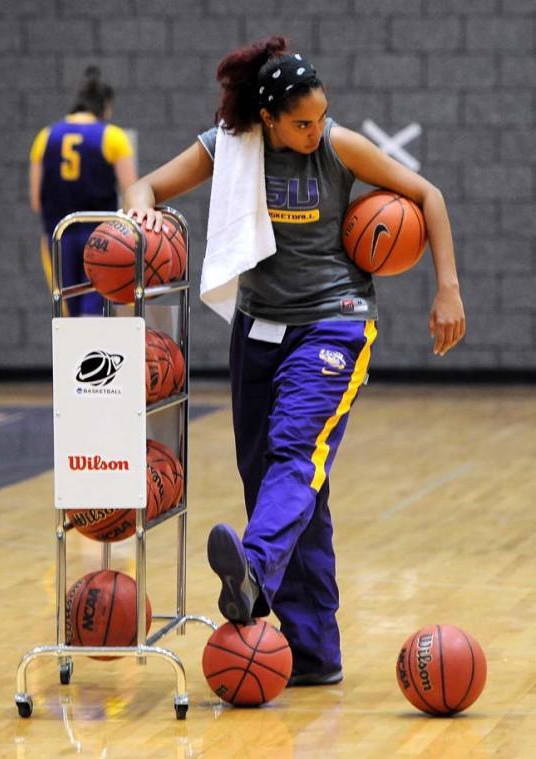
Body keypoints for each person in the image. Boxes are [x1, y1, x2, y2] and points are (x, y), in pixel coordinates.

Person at [123, 36, 466, 687]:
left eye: (320, 116)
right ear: (265, 119)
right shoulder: (229, 146)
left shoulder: (338, 146)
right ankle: (313, 651)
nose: (315, 130)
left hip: (333, 325)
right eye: (301, 122)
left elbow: (429, 195)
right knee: (277, 482)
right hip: (257, 329)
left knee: (292, 456)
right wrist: (140, 209)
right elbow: (147, 183)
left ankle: (252, 573)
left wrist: (446, 287)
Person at [29, 65, 137, 316]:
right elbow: (133, 194)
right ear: (105, 106)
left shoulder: (45, 137)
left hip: (59, 236)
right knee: (96, 313)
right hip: (101, 237)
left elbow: (36, 200)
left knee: (67, 317)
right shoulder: (113, 137)